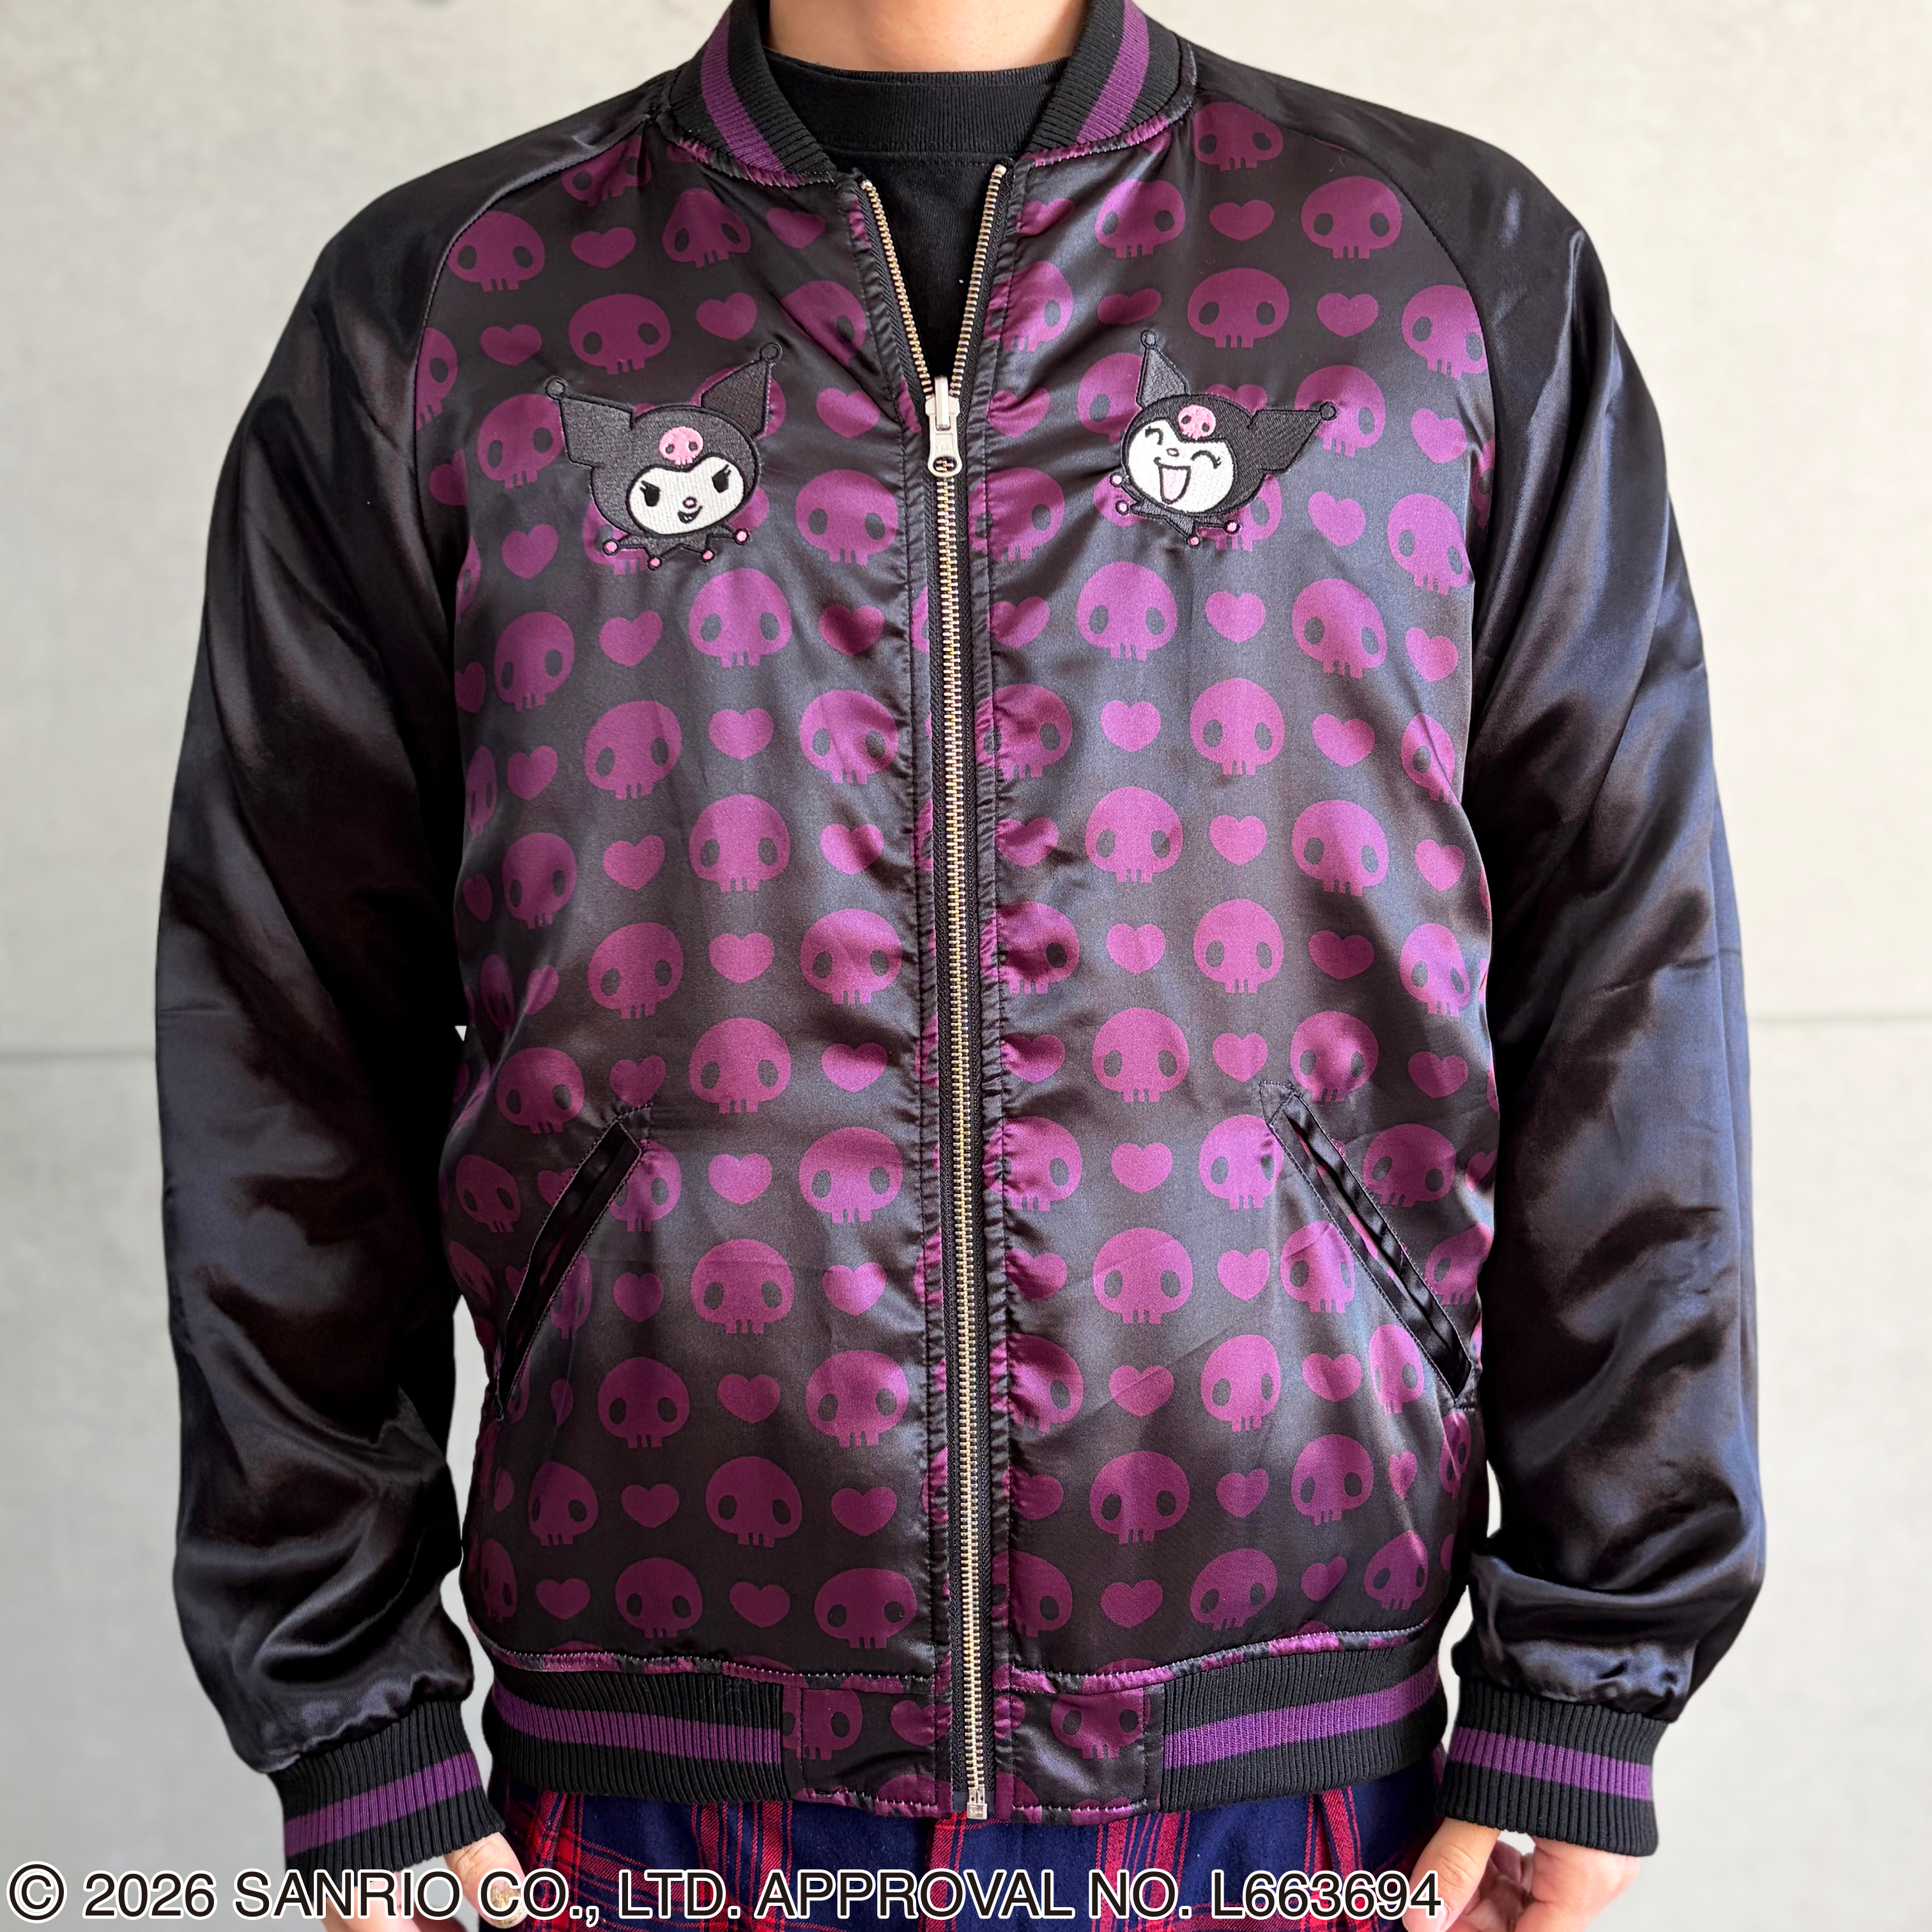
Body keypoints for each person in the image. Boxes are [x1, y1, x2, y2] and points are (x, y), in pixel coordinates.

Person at [156, 0, 1764, 1927]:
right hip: (658, 1771)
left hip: (1298, 1771)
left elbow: (1620, 974)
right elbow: (290, 1033)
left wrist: (1583, 1682)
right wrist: (357, 1726)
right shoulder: (460, 305)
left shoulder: (1431, 278)